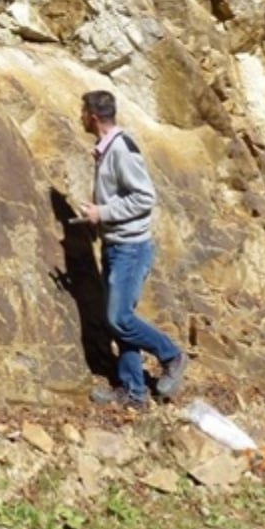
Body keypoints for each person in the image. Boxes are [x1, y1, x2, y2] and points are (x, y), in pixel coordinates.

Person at [78, 90, 188, 410]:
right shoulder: (107, 149)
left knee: (119, 318)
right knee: (120, 320)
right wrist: (97, 218)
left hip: (130, 248)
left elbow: (144, 197)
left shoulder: (122, 149)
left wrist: (103, 213)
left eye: (82, 112)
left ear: (93, 117)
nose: (80, 118)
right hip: (117, 245)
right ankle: (134, 392)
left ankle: (172, 355)